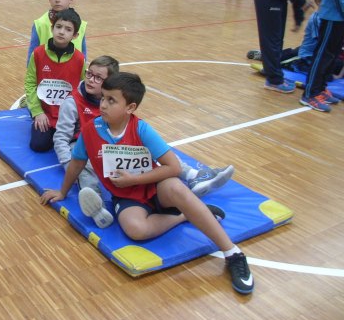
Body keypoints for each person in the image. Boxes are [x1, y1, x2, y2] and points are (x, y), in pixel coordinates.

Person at [41, 72, 254, 295]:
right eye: (103, 98)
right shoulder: (90, 130)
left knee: (177, 187)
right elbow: (76, 163)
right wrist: (63, 192)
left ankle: (233, 254)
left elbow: (173, 167)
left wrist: (135, 179)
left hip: (156, 187)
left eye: (111, 100)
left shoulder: (141, 129)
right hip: (126, 197)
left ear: (130, 108)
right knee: (136, 230)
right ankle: (186, 215)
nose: (103, 104)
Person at [53, 57, 235, 222]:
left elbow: (159, 155)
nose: (91, 80)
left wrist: (137, 177)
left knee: (152, 150)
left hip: (119, 150)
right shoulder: (75, 104)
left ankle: (193, 176)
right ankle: (97, 205)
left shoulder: (124, 111)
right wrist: (66, 165)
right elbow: (63, 139)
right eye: (89, 74)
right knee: (86, 170)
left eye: (98, 78)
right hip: (88, 146)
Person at [253, 0, 334, 93]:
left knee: (277, 39)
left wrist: (298, 17)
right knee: (272, 39)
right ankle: (274, 80)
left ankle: (274, 74)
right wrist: (301, 2)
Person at [26, 9, 85, 152]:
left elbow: (82, 89)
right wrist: (37, 112)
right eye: (58, 27)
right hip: (45, 112)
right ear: (52, 28)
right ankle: (43, 126)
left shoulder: (79, 59)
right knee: (39, 146)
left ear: (75, 35)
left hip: (68, 115)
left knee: (80, 145)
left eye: (68, 29)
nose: (62, 32)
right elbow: (30, 84)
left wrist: (77, 116)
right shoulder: (38, 54)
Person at [26, 0, 87, 65]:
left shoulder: (80, 24)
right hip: (46, 73)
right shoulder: (39, 24)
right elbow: (31, 56)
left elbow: (83, 55)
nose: (57, 0)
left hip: (71, 73)